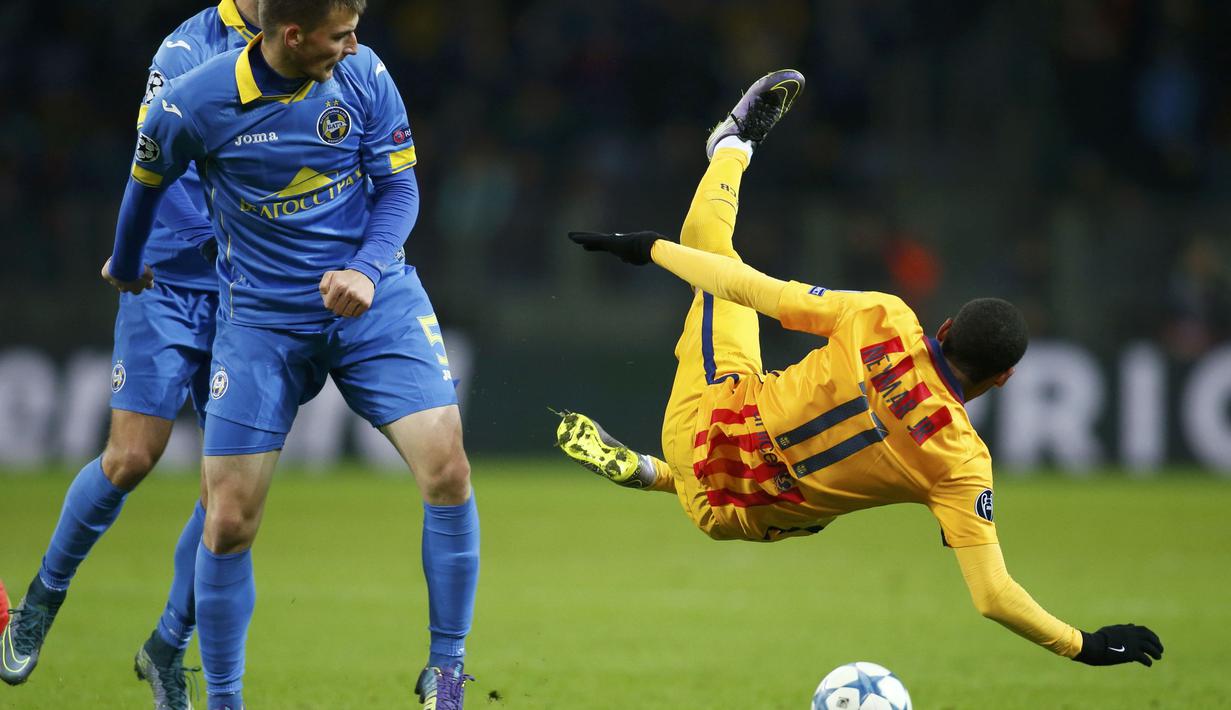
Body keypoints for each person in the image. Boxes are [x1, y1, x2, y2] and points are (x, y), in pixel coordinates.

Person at [559, 70, 1163, 670]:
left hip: (703, 427)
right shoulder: (960, 463)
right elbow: (993, 598)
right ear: (1004, 377)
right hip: (744, 521)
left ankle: (731, 147)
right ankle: (654, 475)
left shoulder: (883, 318)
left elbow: (752, 288)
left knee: (712, 257)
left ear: (944, 329)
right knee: (818, 493)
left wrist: (650, 248)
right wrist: (1084, 644)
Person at [104, 1, 479, 707]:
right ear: (293, 34)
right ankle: (223, 699)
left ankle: (448, 673)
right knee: (229, 517)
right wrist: (127, 263)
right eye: (340, 33)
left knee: (447, 467)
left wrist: (367, 267)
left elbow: (399, 187)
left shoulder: (364, 75)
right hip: (262, 322)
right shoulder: (193, 102)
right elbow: (143, 186)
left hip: (375, 304)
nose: (355, 44)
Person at [1, 3, 262, 708]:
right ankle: (41, 599)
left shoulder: (306, 46)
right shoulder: (187, 49)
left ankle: (167, 649)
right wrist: (159, 244)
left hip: (250, 298)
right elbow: (153, 159)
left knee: (228, 502)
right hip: (171, 280)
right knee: (130, 457)